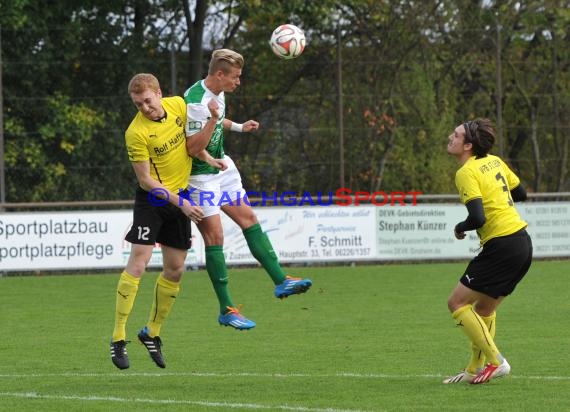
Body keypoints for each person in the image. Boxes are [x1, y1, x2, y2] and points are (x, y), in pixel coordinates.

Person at [183, 49, 312, 330]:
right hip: (200, 176)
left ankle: (281, 281)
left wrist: (240, 127)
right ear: (220, 75)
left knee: (248, 220)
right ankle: (227, 309)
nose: (238, 82)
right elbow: (193, 148)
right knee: (215, 237)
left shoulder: (218, 93)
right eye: (236, 77)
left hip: (222, 167)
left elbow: (218, 121)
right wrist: (213, 120)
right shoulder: (194, 101)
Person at [110, 73, 211, 370]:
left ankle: (151, 333)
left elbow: (193, 142)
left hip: (179, 197)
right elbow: (145, 180)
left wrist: (213, 150)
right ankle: (117, 339)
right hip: (153, 200)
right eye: (138, 103)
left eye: (148, 100)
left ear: (159, 93)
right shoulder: (136, 133)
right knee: (139, 262)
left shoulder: (179, 106)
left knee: (176, 270)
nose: (144, 107)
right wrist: (184, 204)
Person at [443, 118, 533, 384]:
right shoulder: (494, 161)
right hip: (522, 244)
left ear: (468, 145)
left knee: (456, 303)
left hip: (502, 245)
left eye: (456, 135)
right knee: (483, 310)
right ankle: (473, 370)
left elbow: (478, 218)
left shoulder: (466, 172)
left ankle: (497, 361)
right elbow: (522, 193)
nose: (451, 136)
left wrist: (460, 227)